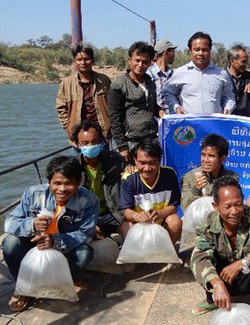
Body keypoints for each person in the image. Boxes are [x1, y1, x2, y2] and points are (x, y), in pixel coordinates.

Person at [3, 156, 98, 312]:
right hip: (34, 245)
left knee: (84, 254)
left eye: (68, 183)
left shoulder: (89, 200)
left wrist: (55, 241)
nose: (62, 189)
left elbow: (85, 234)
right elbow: (9, 223)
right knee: (10, 243)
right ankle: (24, 287)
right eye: (57, 183)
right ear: (49, 182)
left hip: (65, 247)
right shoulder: (33, 193)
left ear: (78, 182)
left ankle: (66, 278)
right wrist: (31, 225)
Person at [190, 175, 250, 322]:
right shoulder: (207, 225)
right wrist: (217, 283)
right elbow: (199, 258)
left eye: (238, 204)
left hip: (249, 273)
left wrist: (242, 263)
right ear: (216, 206)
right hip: (224, 276)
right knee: (205, 267)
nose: (234, 211)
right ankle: (214, 298)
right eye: (227, 206)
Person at [119, 140, 182, 245]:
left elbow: (173, 207)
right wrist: (137, 216)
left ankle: (166, 255)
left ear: (159, 161)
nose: (147, 168)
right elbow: (126, 211)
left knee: (175, 222)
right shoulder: (128, 178)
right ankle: (137, 257)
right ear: (135, 160)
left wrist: (160, 214)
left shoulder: (169, 174)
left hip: (161, 223)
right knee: (126, 226)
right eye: (142, 163)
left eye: (152, 163)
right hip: (138, 224)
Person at [107, 41, 159, 163]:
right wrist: (121, 146)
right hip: (131, 143)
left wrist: (160, 111)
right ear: (129, 60)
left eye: (145, 62)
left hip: (151, 140)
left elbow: (152, 106)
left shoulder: (150, 83)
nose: (140, 65)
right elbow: (115, 118)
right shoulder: (118, 86)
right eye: (137, 60)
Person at [72, 120, 124, 238]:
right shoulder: (72, 167)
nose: (90, 146)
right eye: (85, 143)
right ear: (78, 145)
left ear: (101, 141)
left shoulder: (116, 160)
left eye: (95, 142)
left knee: (130, 229)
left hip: (112, 213)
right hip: (86, 217)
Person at [164, 31, 235, 115]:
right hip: (189, 125)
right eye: (196, 50)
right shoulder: (180, 73)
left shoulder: (221, 74)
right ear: (190, 50)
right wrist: (176, 107)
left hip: (215, 125)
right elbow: (168, 93)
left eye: (204, 50)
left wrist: (228, 107)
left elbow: (229, 95)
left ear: (210, 50)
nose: (200, 53)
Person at [56, 44, 111, 146]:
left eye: (87, 59)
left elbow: (112, 105)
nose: (83, 62)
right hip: (78, 136)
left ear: (92, 60)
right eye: (79, 59)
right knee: (80, 161)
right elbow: (61, 108)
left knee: (104, 161)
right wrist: (68, 127)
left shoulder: (104, 80)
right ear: (74, 62)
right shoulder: (66, 83)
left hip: (102, 134)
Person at [181, 134, 238, 211]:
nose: (206, 160)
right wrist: (196, 189)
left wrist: (210, 200)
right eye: (203, 155)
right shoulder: (189, 177)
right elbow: (185, 208)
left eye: (211, 156)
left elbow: (232, 207)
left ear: (222, 159)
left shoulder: (231, 178)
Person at [226, 44, 250, 117]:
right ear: (232, 61)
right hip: (227, 119)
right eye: (243, 61)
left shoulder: (248, 76)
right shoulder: (222, 76)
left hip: (245, 120)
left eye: (246, 61)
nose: (246, 64)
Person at [146, 39, 177, 117]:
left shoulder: (173, 74)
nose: (174, 55)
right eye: (173, 51)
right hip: (156, 121)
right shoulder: (149, 74)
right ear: (166, 52)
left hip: (173, 120)